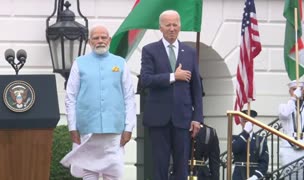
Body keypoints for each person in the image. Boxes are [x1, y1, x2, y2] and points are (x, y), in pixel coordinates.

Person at [60, 25, 136, 180]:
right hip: (87, 129)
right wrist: (72, 127)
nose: (100, 41)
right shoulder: (79, 63)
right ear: (90, 42)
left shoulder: (120, 63)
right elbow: (71, 97)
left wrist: (128, 127)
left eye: (103, 37)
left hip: (114, 130)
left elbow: (129, 97)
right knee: (89, 171)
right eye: (96, 38)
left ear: (109, 40)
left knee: (113, 173)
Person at [140, 10, 203, 180]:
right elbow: (145, 80)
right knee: (159, 167)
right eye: (168, 25)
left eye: (175, 24)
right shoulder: (149, 50)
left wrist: (197, 117)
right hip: (158, 119)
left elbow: (197, 88)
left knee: (182, 168)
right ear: (160, 27)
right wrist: (173, 76)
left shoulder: (189, 52)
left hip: (183, 119)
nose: (172, 28)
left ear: (180, 26)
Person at [232, 110, 269, 180]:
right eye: (244, 121)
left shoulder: (260, 140)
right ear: (241, 122)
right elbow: (236, 149)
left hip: (254, 175)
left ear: (253, 122)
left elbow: (264, 162)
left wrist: (255, 177)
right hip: (239, 175)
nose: (246, 124)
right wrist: (245, 132)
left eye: (248, 121)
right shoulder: (235, 138)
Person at [278, 80, 304, 179]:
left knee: (301, 176)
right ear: (290, 91)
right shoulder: (283, 106)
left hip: (303, 146)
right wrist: (293, 99)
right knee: (288, 176)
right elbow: (284, 114)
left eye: (301, 89)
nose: (298, 91)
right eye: (294, 89)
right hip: (288, 147)